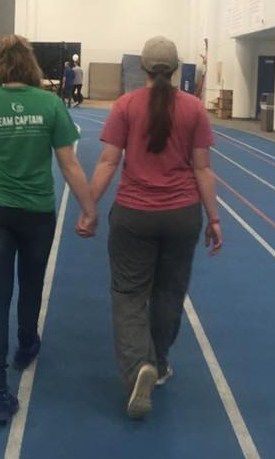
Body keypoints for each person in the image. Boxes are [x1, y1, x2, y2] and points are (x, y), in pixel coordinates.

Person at [0, 35, 97, 424]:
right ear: (30, 65)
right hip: (36, 212)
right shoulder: (49, 104)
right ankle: (26, 343)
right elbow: (70, 164)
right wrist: (89, 208)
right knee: (30, 284)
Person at [84, 35, 222, 420]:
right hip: (182, 217)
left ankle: (137, 369)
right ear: (177, 69)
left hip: (134, 215)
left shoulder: (125, 106)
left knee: (129, 295)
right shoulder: (194, 109)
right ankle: (158, 364)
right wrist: (213, 218)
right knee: (169, 292)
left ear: (141, 68)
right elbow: (202, 168)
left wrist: (88, 206)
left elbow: (108, 162)